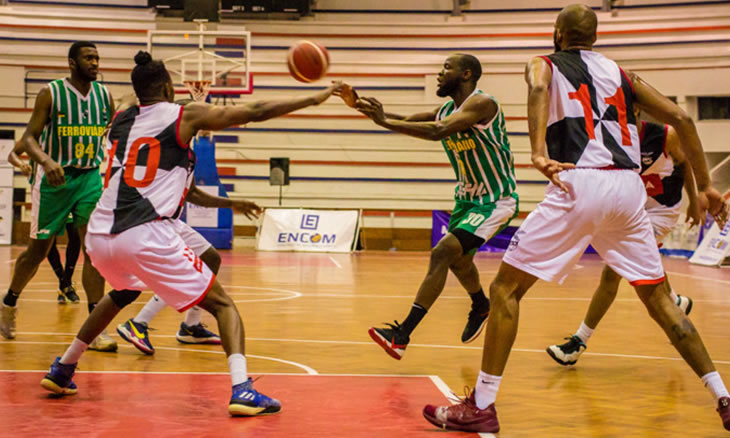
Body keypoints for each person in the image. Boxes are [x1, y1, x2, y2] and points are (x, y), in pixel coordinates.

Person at [421, 5, 730, 433]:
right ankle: (722, 397)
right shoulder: (623, 74)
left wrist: (536, 151)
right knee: (660, 300)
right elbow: (682, 117)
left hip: (578, 182)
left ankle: (483, 406)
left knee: (505, 288)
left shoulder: (542, 62)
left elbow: (537, 90)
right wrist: (707, 186)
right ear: (596, 38)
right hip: (627, 189)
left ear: (557, 34)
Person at [40, 51, 342, 416]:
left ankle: (64, 367)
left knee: (123, 290)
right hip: (145, 232)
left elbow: (186, 189)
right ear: (169, 86)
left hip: (101, 235)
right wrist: (317, 95)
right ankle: (242, 389)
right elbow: (254, 111)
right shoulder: (184, 114)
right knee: (224, 305)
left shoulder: (120, 121)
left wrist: (233, 203)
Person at [352, 53, 519, 360]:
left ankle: (401, 335)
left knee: (442, 252)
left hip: (496, 200)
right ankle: (481, 305)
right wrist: (377, 113)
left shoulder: (483, 104)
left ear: (466, 74)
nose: (440, 73)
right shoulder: (445, 108)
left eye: (446, 68)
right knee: (459, 262)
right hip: (467, 201)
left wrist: (384, 121)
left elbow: (438, 131)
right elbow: (407, 121)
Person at [547, 111, 701, 366]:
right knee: (635, 265)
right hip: (634, 207)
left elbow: (685, 164)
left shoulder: (664, 135)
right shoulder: (608, 138)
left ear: (636, 110)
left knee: (613, 270)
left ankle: (578, 342)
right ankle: (675, 300)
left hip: (662, 210)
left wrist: (695, 202)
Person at [0, 41, 117, 351]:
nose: (95, 62)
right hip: (54, 179)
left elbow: (115, 134)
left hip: (90, 177)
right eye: (88, 58)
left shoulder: (105, 97)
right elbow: (29, 138)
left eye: (97, 57)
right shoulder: (50, 93)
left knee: (93, 250)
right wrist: (46, 160)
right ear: (71, 62)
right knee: (37, 251)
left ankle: (94, 328)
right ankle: (9, 302)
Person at [118, 180, 264, 354]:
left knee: (210, 258)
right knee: (175, 274)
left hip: (171, 221)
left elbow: (191, 191)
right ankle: (138, 323)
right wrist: (230, 204)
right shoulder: (165, 156)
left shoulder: (187, 156)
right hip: (153, 222)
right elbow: (191, 194)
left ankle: (190, 326)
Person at [8, 142, 82, 304]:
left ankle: (66, 282)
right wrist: (21, 164)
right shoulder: (35, 134)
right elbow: (12, 154)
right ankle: (63, 281)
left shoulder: (65, 133)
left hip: (68, 189)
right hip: (44, 192)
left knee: (75, 236)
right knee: (47, 242)